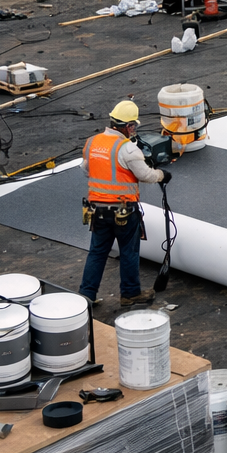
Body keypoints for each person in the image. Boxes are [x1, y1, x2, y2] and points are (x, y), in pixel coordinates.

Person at [79, 100, 170, 307]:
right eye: (133, 126)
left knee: (97, 252)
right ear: (128, 126)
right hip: (123, 212)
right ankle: (129, 294)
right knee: (129, 251)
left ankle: (86, 295)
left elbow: (86, 170)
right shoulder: (127, 149)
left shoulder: (92, 142)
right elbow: (145, 175)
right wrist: (163, 175)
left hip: (96, 210)